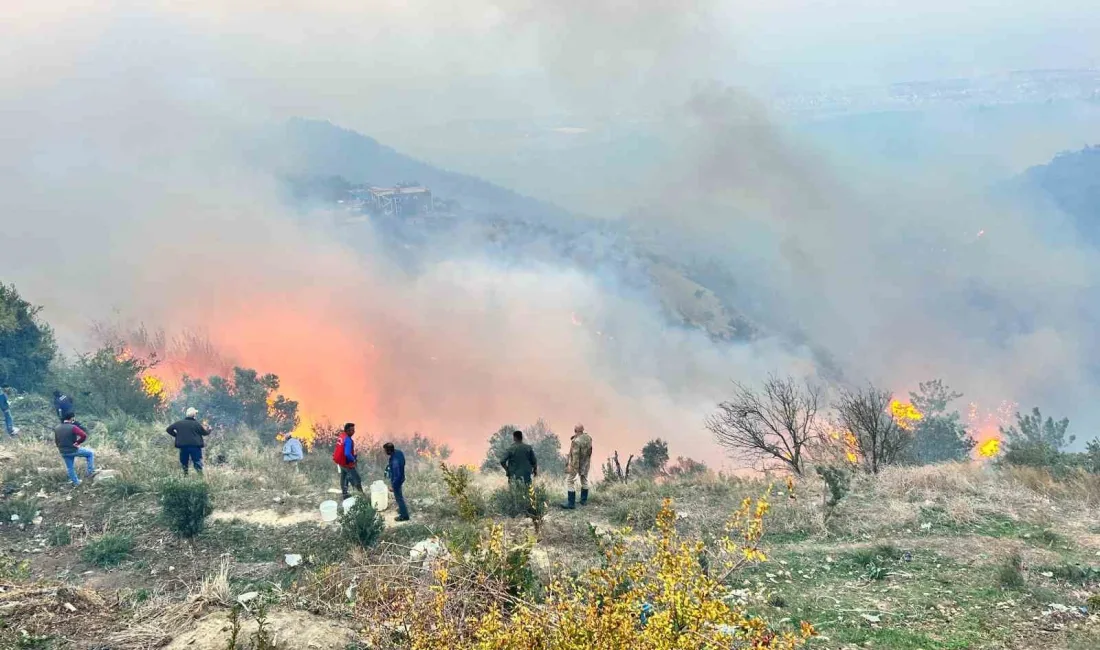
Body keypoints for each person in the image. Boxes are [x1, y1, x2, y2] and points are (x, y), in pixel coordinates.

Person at [54, 414, 96, 486]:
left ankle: (76, 483)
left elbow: (56, 441)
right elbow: (83, 435)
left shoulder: (57, 428)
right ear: (71, 418)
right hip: (73, 450)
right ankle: (90, 472)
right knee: (90, 453)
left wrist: (61, 448)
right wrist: (77, 443)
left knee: (70, 468)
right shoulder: (73, 427)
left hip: (63, 451)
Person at [166, 407, 210, 475]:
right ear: (194, 415)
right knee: (197, 461)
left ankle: (185, 475)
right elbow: (204, 433)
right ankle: (200, 476)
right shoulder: (196, 424)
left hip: (183, 447)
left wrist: (176, 435)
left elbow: (168, 429)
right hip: (195, 447)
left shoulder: (179, 423)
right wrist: (209, 430)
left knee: (184, 462)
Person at [561, 423, 593, 509]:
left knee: (570, 481)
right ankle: (584, 501)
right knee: (584, 480)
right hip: (586, 463)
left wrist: (572, 467)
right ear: (582, 430)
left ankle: (571, 503)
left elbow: (575, 457)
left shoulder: (576, 442)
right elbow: (590, 451)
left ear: (575, 431)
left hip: (577, 464)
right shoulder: (588, 438)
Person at [333, 423, 365, 500]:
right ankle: (361, 496)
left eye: (354, 430)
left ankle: (345, 494)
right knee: (356, 479)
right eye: (352, 430)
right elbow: (347, 453)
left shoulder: (342, 436)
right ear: (347, 430)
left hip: (340, 462)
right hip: (347, 463)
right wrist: (353, 459)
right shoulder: (348, 440)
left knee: (344, 478)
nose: (354, 431)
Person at [383, 442, 410, 521]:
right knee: (399, 496)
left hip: (397, 480)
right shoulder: (398, 452)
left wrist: (393, 486)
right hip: (402, 477)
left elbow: (397, 476)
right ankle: (402, 509)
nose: (384, 452)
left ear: (389, 451)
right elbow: (403, 462)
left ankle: (404, 516)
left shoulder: (395, 461)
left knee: (399, 498)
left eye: (385, 451)